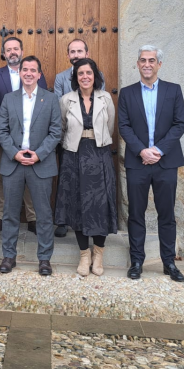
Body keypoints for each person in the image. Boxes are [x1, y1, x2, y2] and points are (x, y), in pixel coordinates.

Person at [118, 45, 184, 282]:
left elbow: (180, 124)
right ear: (137, 64)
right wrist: (142, 151)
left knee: (166, 214)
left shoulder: (173, 90)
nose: (147, 64)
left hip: (166, 162)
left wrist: (157, 150)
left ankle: (168, 263)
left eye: (152, 60)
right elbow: (123, 126)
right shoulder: (127, 94)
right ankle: (137, 261)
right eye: (142, 60)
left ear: (159, 64)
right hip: (138, 162)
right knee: (136, 214)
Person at [0, 56, 61, 276]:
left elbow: (56, 132)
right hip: (13, 163)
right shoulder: (8, 99)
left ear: (39, 75)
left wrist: (39, 154)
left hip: (40, 164)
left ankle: (44, 259)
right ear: (20, 72)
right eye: (25, 69)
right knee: (10, 213)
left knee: (43, 214)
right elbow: (2, 131)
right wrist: (15, 153)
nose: (29, 73)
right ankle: (8, 256)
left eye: (33, 70)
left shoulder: (50, 99)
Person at [55, 58, 117, 276]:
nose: (85, 77)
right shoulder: (66, 100)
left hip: (99, 153)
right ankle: (84, 254)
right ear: (75, 77)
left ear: (95, 75)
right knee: (77, 204)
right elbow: (62, 128)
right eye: (80, 73)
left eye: (88, 73)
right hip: (74, 154)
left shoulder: (105, 98)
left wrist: (97, 140)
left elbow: (109, 125)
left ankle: (98, 253)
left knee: (100, 205)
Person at [0, 37, 47, 236]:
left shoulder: (36, 74)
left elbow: (43, 99)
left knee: (31, 175)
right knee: (1, 176)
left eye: (15, 48)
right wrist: (11, 112)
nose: (12, 52)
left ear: (21, 51)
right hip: (2, 137)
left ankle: (32, 218)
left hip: (32, 138)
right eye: (8, 49)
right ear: (3, 53)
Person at [52, 38, 105, 238]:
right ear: (68, 55)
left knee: (90, 183)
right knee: (67, 181)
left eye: (79, 51)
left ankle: (86, 218)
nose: (76, 55)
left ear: (87, 53)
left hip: (91, 140)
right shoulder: (60, 78)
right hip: (67, 136)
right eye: (72, 52)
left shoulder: (97, 75)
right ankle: (63, 220)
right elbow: (58, 107)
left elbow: (102, 108)